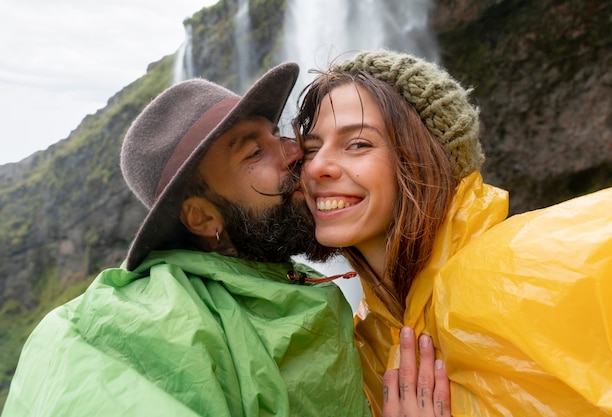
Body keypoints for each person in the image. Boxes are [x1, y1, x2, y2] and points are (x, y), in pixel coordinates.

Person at [3, 62, 372, 417]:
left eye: (275, 133)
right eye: (254, 152)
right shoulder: (153, 324)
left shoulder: (288, 278)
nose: (297, 151)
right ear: (202, 217)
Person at [294, 49, 612, 417]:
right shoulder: (361, 343)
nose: (317, 166)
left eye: (358, 144)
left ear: (428, 156)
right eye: (310, 149)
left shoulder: (533, 263)